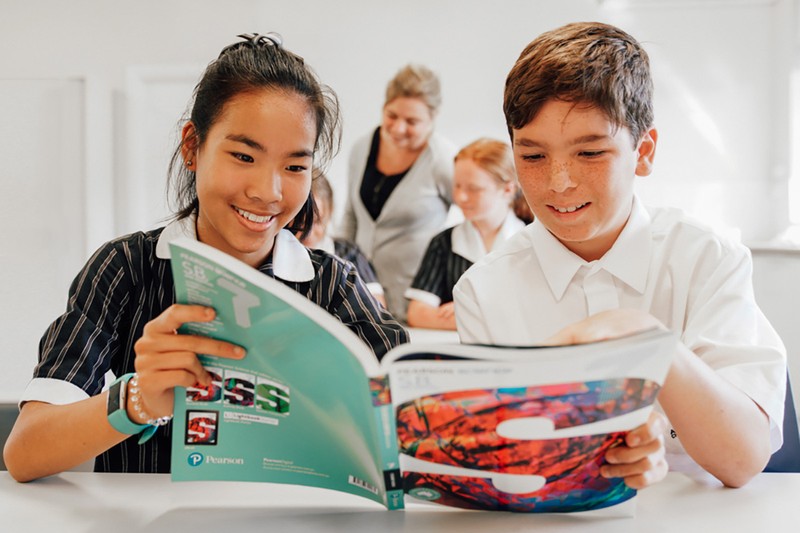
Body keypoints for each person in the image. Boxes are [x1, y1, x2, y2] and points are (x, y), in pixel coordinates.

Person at [3, 33, 408, 483]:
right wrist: (137, 399)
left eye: (295, 167)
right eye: (243, 155)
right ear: (193, 147)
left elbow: (417, 412)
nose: (267, 191)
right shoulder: (127, 268)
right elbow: (25, 451)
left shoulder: (333, 285)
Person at [453, 22, 786, 489]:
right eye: (532, 157)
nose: (559, 182)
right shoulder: (485, 290)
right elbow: (500, 458)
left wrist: (649, 339)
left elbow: (743, 459)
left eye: (590, 152)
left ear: (643, 151)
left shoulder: (707, 259)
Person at [338, 64, 457, 323]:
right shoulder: (362, 148)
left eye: (412, 121)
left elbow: (478, 217)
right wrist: (335, 269)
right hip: (358, 295)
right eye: (392, 115)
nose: (398, 128)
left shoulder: (443, 160)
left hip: (408, 305)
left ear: (432, 119)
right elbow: (351, 216)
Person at [405, 138, 525, 330]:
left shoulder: (532, 242)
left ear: (508, 189)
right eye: (458, 186)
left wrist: (468, 312)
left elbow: (536, 315)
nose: (461, 196)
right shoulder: (444, 243)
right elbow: (418, 313)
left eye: (474, 188)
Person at [300, 172, 387, 307]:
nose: (308, 232)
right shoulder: (274, 253)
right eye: (300, 223)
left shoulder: (348, 252)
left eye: (317, 222)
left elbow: (377, 305)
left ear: (329, 213)